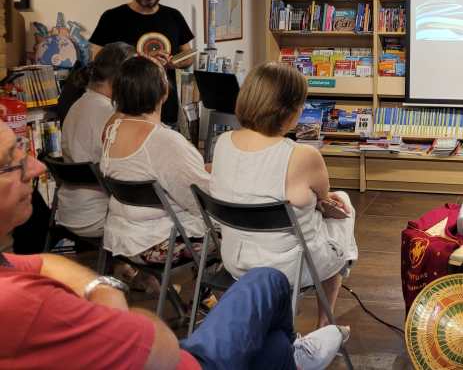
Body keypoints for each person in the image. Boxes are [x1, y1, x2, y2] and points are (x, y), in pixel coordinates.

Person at [0, 119, 346, 370]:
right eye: (13, 162)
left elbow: (44, 262)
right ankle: (295, 353)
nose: (35, 166)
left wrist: (98, 286)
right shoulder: (24, 302)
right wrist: (109, 298)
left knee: (272, 342)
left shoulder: (114, 128)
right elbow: (160, 347)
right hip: (183, 361)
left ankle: (292, 357)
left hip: (122, 241)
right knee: (267, 279)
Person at [210, 62, 358, 329]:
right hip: (289, 267)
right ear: (290, 109)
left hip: (236, 260)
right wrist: (326, 204)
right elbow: (324, 198)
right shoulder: (302, 155)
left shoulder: (222, 143)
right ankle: (325, 326)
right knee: (344, 205)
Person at [101, 56, 208, 265]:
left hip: (120, 240)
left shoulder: (112, 129)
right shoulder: (163, 140)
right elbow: (201, 200)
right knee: (238, 230)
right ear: (164, 91)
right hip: (157, 243)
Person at [90, 0, 195, 125]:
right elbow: (97, 60)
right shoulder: (111, 17)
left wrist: (173, 63)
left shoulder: (174, 16)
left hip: (166, 112)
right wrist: (143, 61)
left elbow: (189, 57)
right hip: (123, 112)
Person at [58, 42, 135, 239]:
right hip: (100, 215)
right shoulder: (108, 114)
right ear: (121, 78)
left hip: (69, 212)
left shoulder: (78, 105)